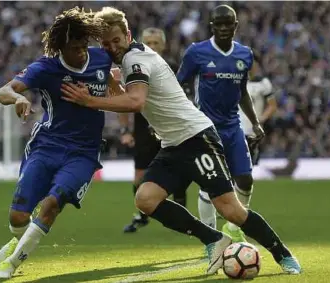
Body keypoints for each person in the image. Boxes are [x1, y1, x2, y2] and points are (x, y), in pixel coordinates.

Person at [61, 6, 301, 275]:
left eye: (116, 41)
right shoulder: (132, 59)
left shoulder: (134, 60)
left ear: (127, 34)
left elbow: (136, 101)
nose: (111, 48)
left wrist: (89, 101)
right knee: (145, 198)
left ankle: (283, 254)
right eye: (105, 44)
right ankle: (214, 239)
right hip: (173, 144)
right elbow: (126, 88)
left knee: (231, 210)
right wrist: (108, 81)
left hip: (197, 138)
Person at [0, 7, 117, 279]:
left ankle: (11, 265)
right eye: (75, 47)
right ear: (60, 47)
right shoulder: (46, 68)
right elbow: (3, 91)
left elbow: (120, 80)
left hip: (83, 153)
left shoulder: (101, 59)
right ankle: (17, 242)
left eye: (84, 46)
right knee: (17, 218)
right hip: (47, 146)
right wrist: (19, 98)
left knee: (51, 205)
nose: (82, 52)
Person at [176, 4, 263, 242]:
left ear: (236, 26)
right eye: (219, 24)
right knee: (209, 185)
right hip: (205, 128)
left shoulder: (245, 54)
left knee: (245, 179)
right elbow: (178, 84)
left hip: (233, 126)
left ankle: (234, 229)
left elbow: (242, 90)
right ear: (212, 26)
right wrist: (186, 112)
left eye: (228, 24)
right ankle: (211, 238)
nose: (224, 28)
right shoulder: (196, 52)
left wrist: (255, 123)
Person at [117, 27, 188, 233]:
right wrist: (124, 129)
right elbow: (123, 99)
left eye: (156, 43)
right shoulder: (134, 68)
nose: (153, 46)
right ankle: (142, 214)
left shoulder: (174, 68)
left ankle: (182, 218)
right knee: (139, 177)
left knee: (179, 174)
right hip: (143, 131)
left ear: (164, 46)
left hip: (170, 129)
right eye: (149, 42)